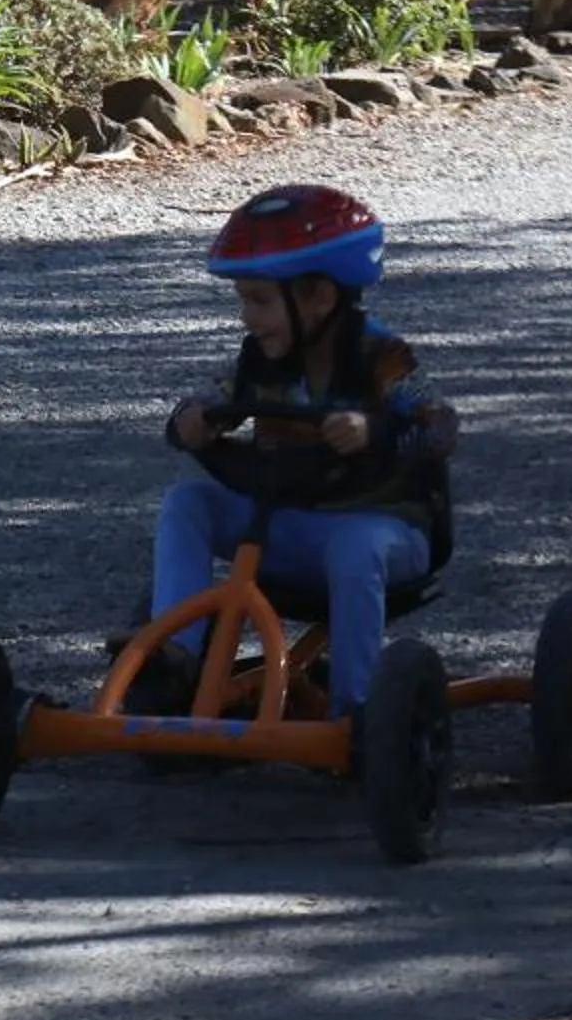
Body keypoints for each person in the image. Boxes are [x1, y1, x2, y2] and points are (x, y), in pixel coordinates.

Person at [150, 183, 460, 719]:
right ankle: (175, 654)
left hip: (383, 528)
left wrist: (374, 431)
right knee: (189, 502)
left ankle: (356, 710)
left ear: (320, 296)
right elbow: (202, 404)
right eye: (243, 300)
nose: (248, 317)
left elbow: (443, 427)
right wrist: (191, 423)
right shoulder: (259, 360)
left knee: (355, 546)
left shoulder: (379, 357)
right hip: (286, 526)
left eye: (261, 301)